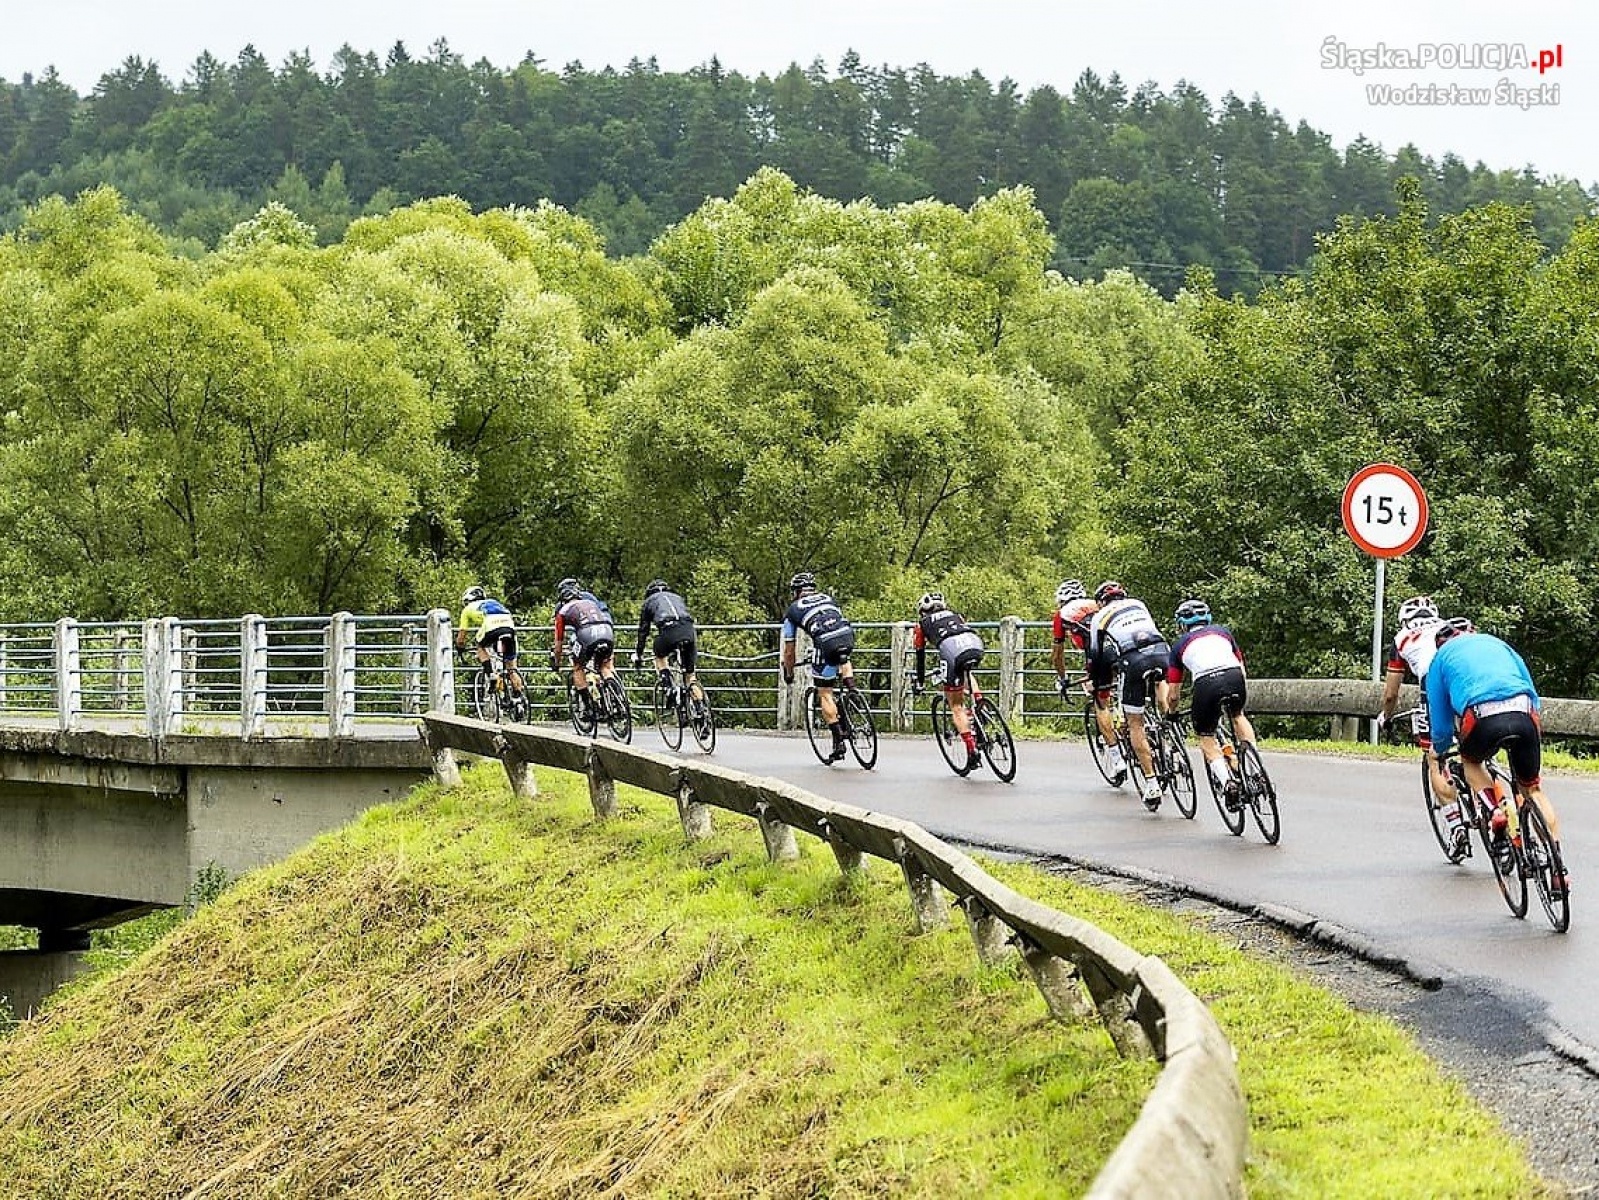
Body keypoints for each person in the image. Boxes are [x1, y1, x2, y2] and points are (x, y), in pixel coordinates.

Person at [1426, 618, 1566, 891]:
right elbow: (1532, 691)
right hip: (1524, 710)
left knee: (1471, 763)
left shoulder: (1439, 660)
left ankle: (1495, 813)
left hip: (1481, 716)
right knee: (1533, 789)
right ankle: (1558, 867)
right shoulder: (1499, 644)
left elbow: (1441, 725)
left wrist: (1438, 751)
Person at [1375, 595, 1459, 851]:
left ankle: (1455, 828)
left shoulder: (1402, 639)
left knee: (1433, 757)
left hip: (1432, 686)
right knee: (1472, 748)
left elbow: (1391, 694)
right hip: (1464, 681)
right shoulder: (1450, 627)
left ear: (1404, 619)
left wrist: (1385, 717)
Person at [1085, 580, 1171, 809]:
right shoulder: (1138, 604)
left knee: (1135, 724)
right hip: (1162, 650)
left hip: (1133, 659)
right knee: (1159, 680)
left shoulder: (1099, 617)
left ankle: (1151, 784)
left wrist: (1097, 681)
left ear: (1101, 601)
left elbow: (1096, 655)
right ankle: (1169, 725)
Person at [1163, 599, 1255, 808]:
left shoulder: (1178, 646)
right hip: (1234, 677)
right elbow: (1241, 667)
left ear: (1182, 624)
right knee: (1238, 715)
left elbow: (1174, 693)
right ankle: (1253, 766)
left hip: (1206, 684)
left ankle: (1228, 783)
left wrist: (1171, 713)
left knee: (1206, 737)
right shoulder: (1224, 632)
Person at [780, 571, 856, 763]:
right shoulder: (828, 598)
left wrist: (788, 673)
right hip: (847, 635)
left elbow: (789, 650)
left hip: (824, 643)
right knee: (842, 656)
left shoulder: (792, 611)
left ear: (796, 592)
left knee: (824, 693)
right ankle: (851, 688)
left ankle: (838, 739)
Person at [910, 591, 986, 772]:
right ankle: (979, 702)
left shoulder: (921, 625)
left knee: (956, 705)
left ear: (922, 610)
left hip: (951, 650)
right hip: (974, 643)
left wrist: (920, 682)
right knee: (966, 671)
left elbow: (920, 657)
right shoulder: (955, 615)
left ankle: (971, 749)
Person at [454, 586, 526, 716]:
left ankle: (491, 674)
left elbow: (462, 635)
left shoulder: (467, 609)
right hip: (509, 627)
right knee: (511, 668)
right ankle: (518, 699)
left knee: (480, 646)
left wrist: (459, 647)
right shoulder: (494, 602)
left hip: (491, 626)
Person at [551, 577, 619, 714]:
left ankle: (588, 707)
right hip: (606, 630)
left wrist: (557, 662)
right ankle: (617, 699)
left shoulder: (562, 611)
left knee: (578, 667)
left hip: (586, 634)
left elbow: (558, 643)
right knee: (605, 666)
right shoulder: (590, 601)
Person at [632, 579, 703, 709]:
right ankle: (700, 709)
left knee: (659, 655)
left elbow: (643, 631)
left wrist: (639, 654)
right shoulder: (677, 597)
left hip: (668, 630)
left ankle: (667, 685)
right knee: (690, 675)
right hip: (688, 630)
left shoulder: (648, 602)